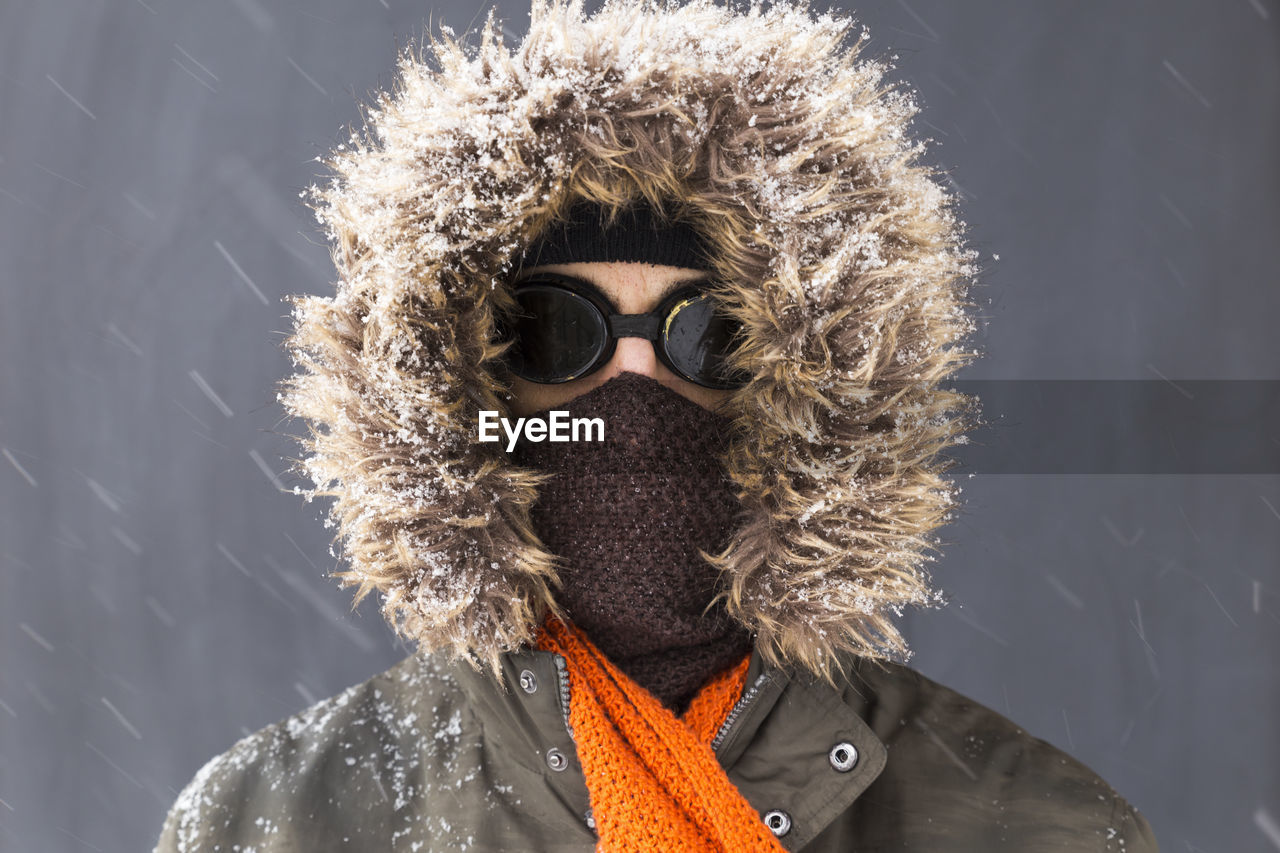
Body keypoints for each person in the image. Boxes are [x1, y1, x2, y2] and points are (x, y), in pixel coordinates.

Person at [155, 0, 1159, 850]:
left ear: (815, 385)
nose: (631, 389)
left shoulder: (1034, 825)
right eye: (553, 330)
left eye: (708, 332)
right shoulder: (269, 822)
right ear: (461, 390)